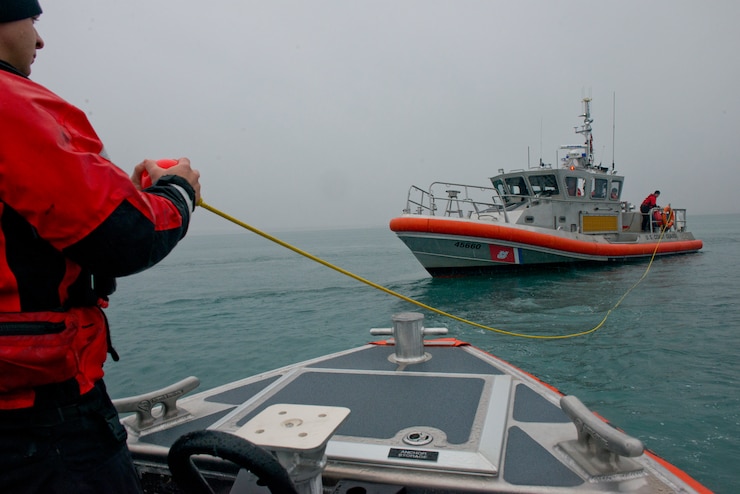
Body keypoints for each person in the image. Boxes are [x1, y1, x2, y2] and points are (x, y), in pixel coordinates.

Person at [0, 2, 201, 493]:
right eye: (33, 22)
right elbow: (126, 239)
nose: (40, 41)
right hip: (39, 423)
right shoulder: (12, 108)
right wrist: (177, 190)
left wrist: (126, 194)